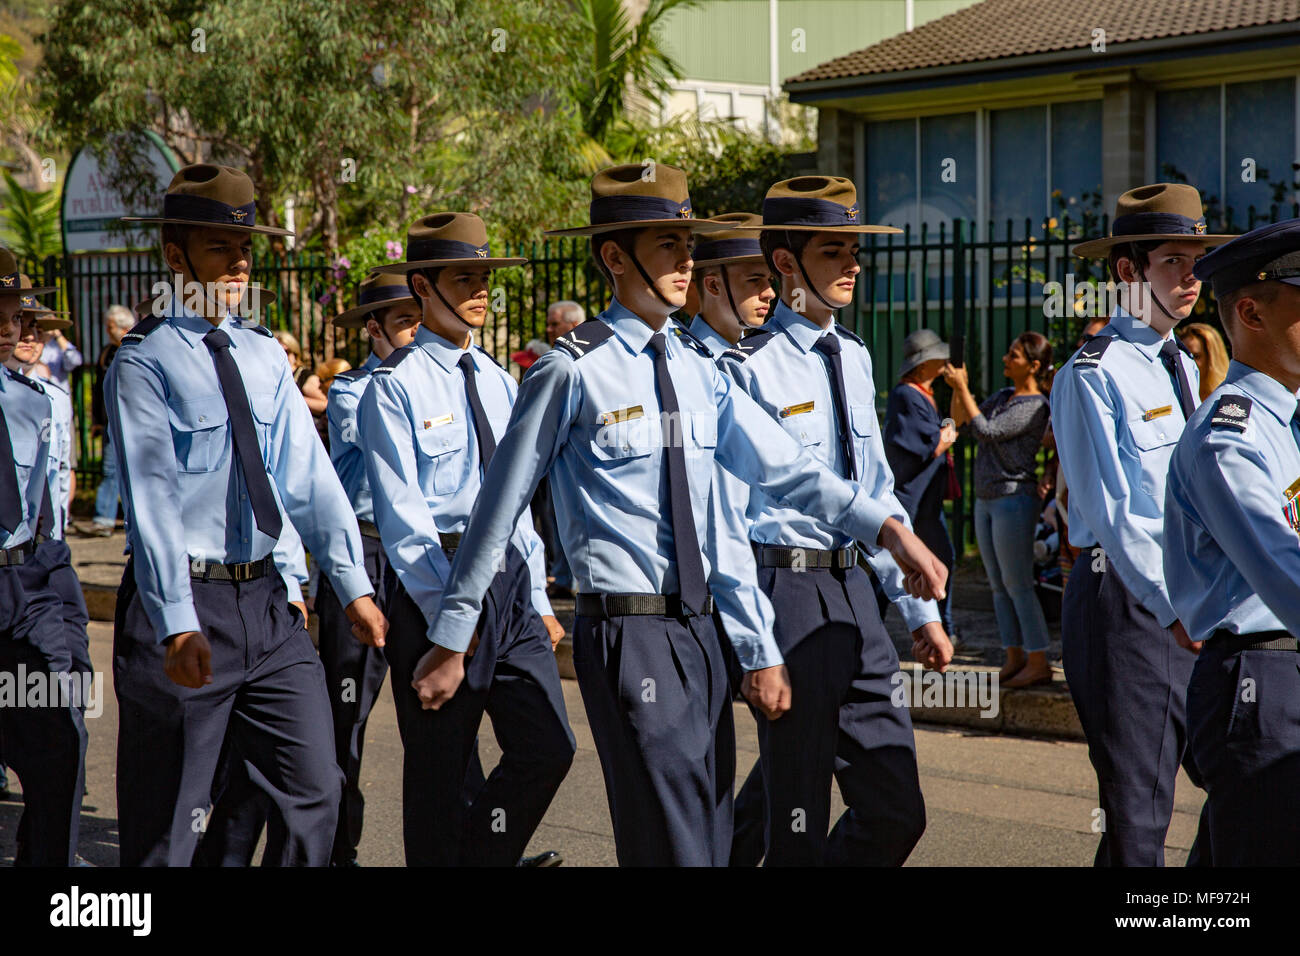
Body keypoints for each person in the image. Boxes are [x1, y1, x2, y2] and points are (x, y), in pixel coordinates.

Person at [418, 163, 947, 866]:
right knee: (678, 849)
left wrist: (886, 531)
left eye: (687, 243)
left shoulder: (703, 371)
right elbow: (500, 506)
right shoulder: (571, 369)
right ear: (615, 256)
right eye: (668, 244)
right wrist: (455, 636)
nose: (686, 260)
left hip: (702, 635)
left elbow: (778, 475)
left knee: (709, 843)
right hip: (628, 633)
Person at [108, 163, 386, 866]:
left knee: (314, 790)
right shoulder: (143, 363)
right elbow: (152, 500)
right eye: (217, 249)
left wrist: (350, 583)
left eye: (244, 250)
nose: (237, 263)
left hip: (267, 602)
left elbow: (310, 478)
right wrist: (176, 621)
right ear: (176, 257)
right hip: (187, 600)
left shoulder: (263, 355)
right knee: (171, 827)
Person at [721, 178, 952, 867]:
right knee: (795, 814)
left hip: (856, 592)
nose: (853, 264)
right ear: (786, 263)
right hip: (785, 588)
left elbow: (874, 486)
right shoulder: (746, 363)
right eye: (833, 251)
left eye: (855, 250)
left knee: (895, 811)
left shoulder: (851, 353)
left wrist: (920, 611)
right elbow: (758, 495)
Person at [357, 211, 575, 866]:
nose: (480, 289)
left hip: (506, 579)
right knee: (440, 776)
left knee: (548, 747)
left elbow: (514, 506)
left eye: (484, 276)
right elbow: (401, 518)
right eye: (463, 277)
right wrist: (446, 621)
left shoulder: (503, 381)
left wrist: (534, 595)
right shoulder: (391, 390)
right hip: (437, 579)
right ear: (423, 288)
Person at [1052, 182, 1232, 867]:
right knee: (1139, 812)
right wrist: (1175, 607)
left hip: (1187, 597)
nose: (1192, 278)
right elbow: (1116, 513)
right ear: (1127, 272)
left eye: (1197, 260)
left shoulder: (1180, 363)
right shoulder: (1092, 374)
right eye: (1173, 262)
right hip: (1129, 601)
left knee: (1239, 776)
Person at [1165, 217, 1300, 865]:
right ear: (1251, 311)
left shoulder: (1289, 422)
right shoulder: (1231, 434)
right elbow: (1282, 564)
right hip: (1263, 677)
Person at [0, 248, 85, 865]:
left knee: (59, 740)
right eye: (3, 312)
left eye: (14, 310)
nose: (13, 324)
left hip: (23, 581)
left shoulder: (35, 401)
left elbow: (43, 502)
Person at [943, 332, 1053, 687]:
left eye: (1014, 355)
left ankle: (1038, 660)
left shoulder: (1036, 405)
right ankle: (1014, 656)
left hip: (1014, 500)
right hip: (988, 499)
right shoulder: (1004, 396)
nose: (1006, 359)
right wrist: (962, 388)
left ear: (1033, 366)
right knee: (997, 586)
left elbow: (988, 431)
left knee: (1018, 584)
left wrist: (963, 389)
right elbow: (964, 423)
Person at [885, 329, 959, 639]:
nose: (945, 361)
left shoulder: (923, 395)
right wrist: (948, 434)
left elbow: (949, 429)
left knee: (941, 557)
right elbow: (933, 443)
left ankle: (944, 625)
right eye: (939, 357)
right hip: (911, 496)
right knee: (893, 565)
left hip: (926, 498)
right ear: (924, 363)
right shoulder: (907, 395)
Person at [535, 300, 585, 599]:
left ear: (574, 326)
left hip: (583, 461)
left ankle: (574, 578)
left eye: (555, 324)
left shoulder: (590, 362)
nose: (549, 330)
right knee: (554, 520)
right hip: (554, 459)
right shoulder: (553, 359)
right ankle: (564, 577)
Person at [85, 304, 135, 537]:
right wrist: (96, 419)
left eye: (110, 327)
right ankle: (104, 519)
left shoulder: (139, 347)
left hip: (135, 422)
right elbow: (97, 389)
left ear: (124, 327)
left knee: (137, 471)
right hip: (111, 423)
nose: (107, 331)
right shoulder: (106, 353)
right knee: (109, 470)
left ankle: (133, 519)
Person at [273, 328, 328, 416]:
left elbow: (326, 405)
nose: (282, 356)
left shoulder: (305, 376)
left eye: (286, 352)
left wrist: (294, 398)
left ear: (295, 353)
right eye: (277, 352)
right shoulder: (275, 376)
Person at [1177, 321, 1230, 400]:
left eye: (1196, 356)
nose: (1188, 362)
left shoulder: (1229, 395)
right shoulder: (1176, 392)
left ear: (1213, 359)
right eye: (1183, 356)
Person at [40, 317, 82, 390]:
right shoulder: (29, 345)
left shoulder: (59, 346)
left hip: (57, 394)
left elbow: (75, 361)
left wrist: (59, 336)